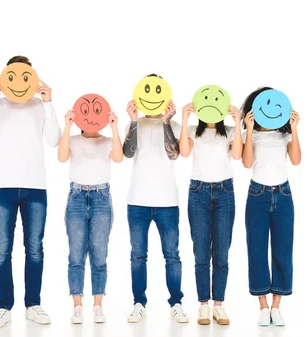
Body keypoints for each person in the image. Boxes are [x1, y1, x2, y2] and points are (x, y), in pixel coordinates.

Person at [0, 56, 61, 329]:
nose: (19, 81)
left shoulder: (40, 106)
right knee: (1, 250)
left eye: (25, 76)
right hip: (2, 187)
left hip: (35, 187)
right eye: (13, 76)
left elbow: (55, 141)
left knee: (35, 249)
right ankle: (3, 307)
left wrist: (49, 102)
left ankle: (33, 304)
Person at [122, 74, 189, 323]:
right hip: (137, 200)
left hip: (167, 202)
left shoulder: (173, 125)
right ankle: (139, 303)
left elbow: (175, 154)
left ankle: (176, 303)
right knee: (137, 255)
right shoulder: (135, 123)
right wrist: (132, 121)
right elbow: (128, 153)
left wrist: (166, 121)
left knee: (172, 255)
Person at [240, 87, 301, 326]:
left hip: (283, 195)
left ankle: (277, 306)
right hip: (258, 195)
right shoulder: (251, 135)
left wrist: (294, 130)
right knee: (256, 250)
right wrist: (250, 129)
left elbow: (296, 160)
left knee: (283, 251)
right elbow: (246, 163)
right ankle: (263, 306)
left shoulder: (284, 135)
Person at [57, 107, 123, 324]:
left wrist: (114, 128)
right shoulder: (73, 139)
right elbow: (62, 156)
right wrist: (67, 125)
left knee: (99, 254)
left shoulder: (106, 141)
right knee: (75, 254)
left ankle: (97, 306)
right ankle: (77, 306)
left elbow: (119, 157)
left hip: (101, 197)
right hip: (76, 196)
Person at [179, 103, 243, 325]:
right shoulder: (192, 131)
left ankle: (219, 305)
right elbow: (184, 153)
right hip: (198, 192)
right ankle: (203, 305)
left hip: (225, 192)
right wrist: (185, 118)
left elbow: (237, 155)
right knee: (201, 252)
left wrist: (237, 120)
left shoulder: (230, 131)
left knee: (222, 252)